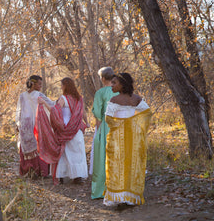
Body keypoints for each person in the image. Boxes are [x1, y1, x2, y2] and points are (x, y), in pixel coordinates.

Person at [103, 72, 152, 208]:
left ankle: (120, 197)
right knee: (131, 164)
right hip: (134, 138)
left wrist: (121, 124)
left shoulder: (114, 100)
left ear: (123, 85)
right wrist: (135, 124)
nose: (111, 85)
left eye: (114, 83)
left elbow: (108, 119)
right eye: (111, 82)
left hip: (118, 138)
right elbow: (147, 113)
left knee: (118, 164)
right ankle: (130, 197)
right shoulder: (136, 99)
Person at [35, 77, 88, 184]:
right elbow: (82, 112)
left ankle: (62, 175)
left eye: (62, 85)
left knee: (64, 154)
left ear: (65, 86)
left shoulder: (63, 98)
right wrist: (87, 122)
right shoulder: (78, 98)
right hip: (76, 129)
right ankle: (77, 176)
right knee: (78, 153)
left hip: (64, 128)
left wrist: (44, 103)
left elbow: (54, 111)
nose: (61, 87)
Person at [15, 75, 52, 177]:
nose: (41, 86)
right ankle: (39, 171)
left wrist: (18, 124)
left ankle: (30, 170)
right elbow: (51, 104)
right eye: (39, 84)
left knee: (28, 147)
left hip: (24, 125)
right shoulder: (38, 95)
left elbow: (18, 111)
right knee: (37, 146)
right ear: (33, 84)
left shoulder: (22, 96)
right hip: (35, 125)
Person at [90, 67, 118, 199]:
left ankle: (101, 189)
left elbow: (97, 114)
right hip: (119, 126)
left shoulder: (100, 92)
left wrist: (99, 131)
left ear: (102, 78)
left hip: (105, 126)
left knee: (102, 157)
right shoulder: (120, 91)